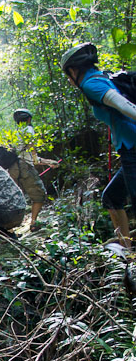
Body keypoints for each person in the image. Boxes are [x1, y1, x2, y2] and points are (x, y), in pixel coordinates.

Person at [60, 42, 136, 251]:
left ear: (73, 71)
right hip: (128, 147)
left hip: (132, 148)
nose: (69, 80)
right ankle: (127, 251)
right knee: (111, 197)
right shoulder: (102, 77)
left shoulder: (91, 84)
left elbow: (123, 105)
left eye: (67, 75)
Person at [7, 108, 59, 232]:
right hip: (25, 168)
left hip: (12, 169)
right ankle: (33, 223)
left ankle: (10, 230)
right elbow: (31, 155)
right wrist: (41, 161)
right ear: (29, 119)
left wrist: (47, 161)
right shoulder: (28, 129)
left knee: (14, 198)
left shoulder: (15, 134)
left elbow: (24, 155)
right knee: (39, 195)